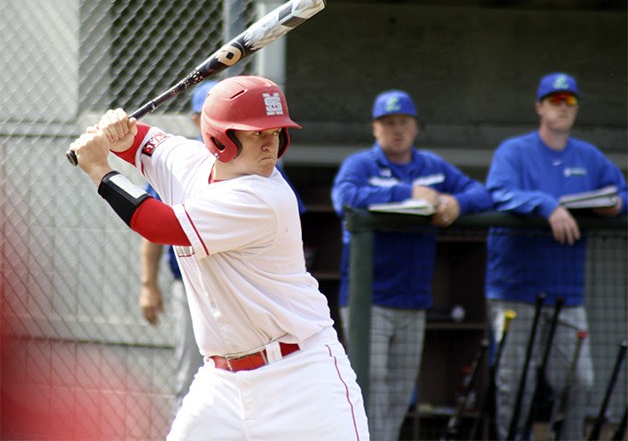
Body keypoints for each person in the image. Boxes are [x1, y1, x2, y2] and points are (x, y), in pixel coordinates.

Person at [69, 75, 369, 440]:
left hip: (301, 378)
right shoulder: (190, 161)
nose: (268, 143)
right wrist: (118, 132)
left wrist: (100, 169)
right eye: (255, 132)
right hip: (221, 384)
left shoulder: (264, 197)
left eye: (275, 132)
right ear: (219, 138)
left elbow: (158, 224)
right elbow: (143, 142)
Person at [331, 89, 492, 441]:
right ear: (376, 128)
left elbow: (483, 193)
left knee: (400, 394)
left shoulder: (432, 167)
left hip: (414, 299)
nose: (397, 130)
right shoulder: (361, 165)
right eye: (388, 123)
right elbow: (344, 197)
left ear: (415, 126)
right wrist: (406, 194)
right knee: (369, 388)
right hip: (366, 301)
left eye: (403, 122)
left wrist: (456, 203)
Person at [485, 72, 627, 440]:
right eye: (555, 101)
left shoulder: (589, 157)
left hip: (567, 293)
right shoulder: (514, 152)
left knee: (580, 382)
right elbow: (498, 194)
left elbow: (621, 193)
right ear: (539, 107)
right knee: (515, 386)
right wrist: (546, 206)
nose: (563, 108)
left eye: (570, 101)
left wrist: (616, 205)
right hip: (515, 291)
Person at [138, 81, 215, 415]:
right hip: (190, 283)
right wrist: (148, 284)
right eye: (206, 115)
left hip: (240, 284)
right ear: (195, 119)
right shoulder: (178, 161)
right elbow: (152, 229)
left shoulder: (255, 160)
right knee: (190, 372)